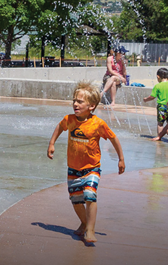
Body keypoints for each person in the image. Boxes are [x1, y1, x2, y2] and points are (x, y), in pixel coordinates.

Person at [46, 81, 125, 245]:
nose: (75, 104)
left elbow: (113, 138)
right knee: (76, 200)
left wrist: (121, 159)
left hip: (91, 168)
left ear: (92, 106)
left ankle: (90, 228)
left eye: (80, 101)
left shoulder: (98, 124)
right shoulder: (70, 119)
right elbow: (60, 127)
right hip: (73, 168)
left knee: (90, 195)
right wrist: (52, 143)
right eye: (74, 100)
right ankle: (84, 222)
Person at [143, 68, 168, 141]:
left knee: (160, 123)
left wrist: (146, 99)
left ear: (158, 77)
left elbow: (152, 96)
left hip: (162, 107)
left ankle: (159, 137)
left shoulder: (158, 86)